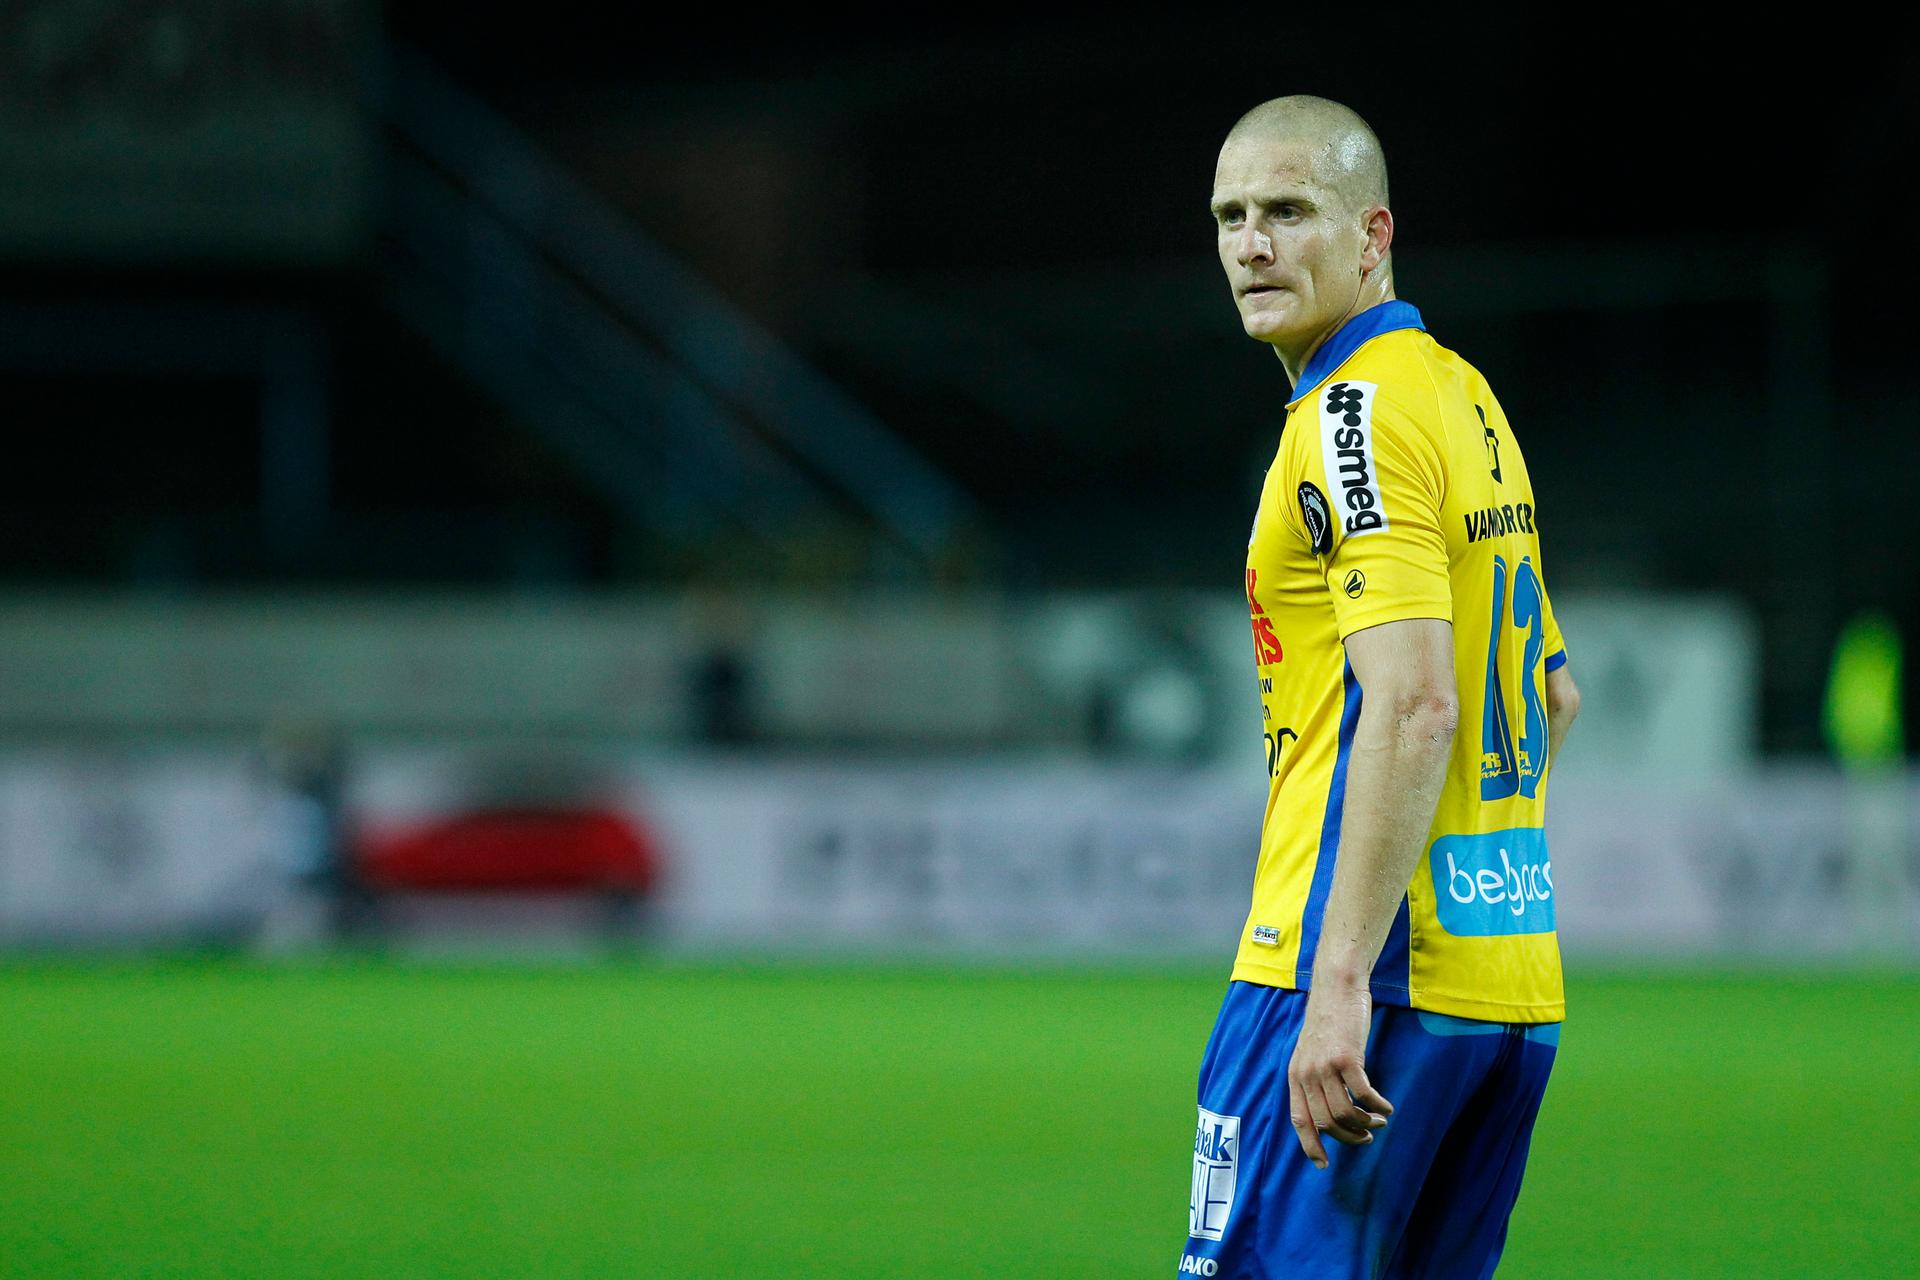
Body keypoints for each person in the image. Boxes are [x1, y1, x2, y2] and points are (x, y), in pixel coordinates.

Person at [1180, 96, 1583, 1279]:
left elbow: (1414, 701)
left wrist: (1343, 974)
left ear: (1373, 234)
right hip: (1507, 984)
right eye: (1231, 216)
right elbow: (1553, 694)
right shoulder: (1464, 396)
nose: (1253, 244)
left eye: (1289, 212)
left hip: (1357, 985)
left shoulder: (1348, 414)